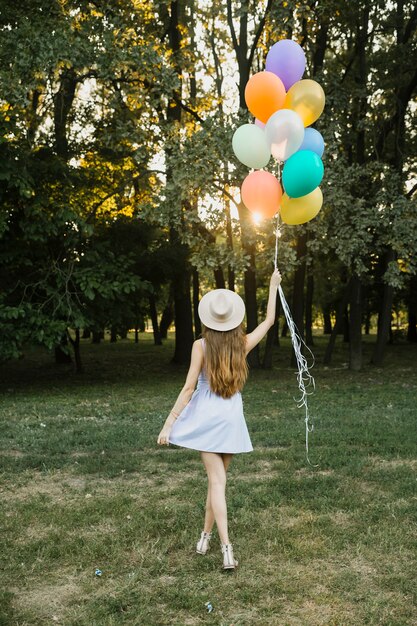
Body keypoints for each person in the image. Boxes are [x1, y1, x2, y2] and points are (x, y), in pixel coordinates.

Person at [157, 269, 282, 570]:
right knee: (218, 483)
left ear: (208, 319)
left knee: (216, 483)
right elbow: (269, 321)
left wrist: (168, 423)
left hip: (207, 421)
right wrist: (273, 287)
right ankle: (205, 536)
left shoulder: (199, 346)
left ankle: (226, 548)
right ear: (234, 318)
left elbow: (188, 388)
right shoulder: (242, 344)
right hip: (230, 420)